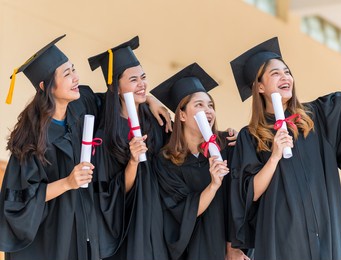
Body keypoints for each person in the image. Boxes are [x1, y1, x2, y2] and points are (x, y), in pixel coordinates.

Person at [229, 21, 341, 260]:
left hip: (325, 229)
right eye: (275, 73)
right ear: (259, 86)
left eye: (287, 71)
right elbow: (250, 194)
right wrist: (275, 156)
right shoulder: (250, 137)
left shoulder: (314, 116)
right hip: (282, 238)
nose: (285, 76)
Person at [0, 35, 101, 260]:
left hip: (80, 228)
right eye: (67, 74)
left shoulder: (81, 106)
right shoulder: (31, 138)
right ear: (45, 86)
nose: (76, 78)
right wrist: (68, 182)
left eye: (73, 69)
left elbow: (113, 103)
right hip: (49, 234)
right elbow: (21, 199)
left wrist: (151, 102)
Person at [151, 62, 249, 260]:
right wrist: (213, 185)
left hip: (227, 249)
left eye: (210, 105)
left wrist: (234, 248)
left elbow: (238, 201)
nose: (208, 110)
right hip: (192, 250)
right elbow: (180, 212)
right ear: (182, 115)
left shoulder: (228, 147)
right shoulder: (167, 161)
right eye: (199, 105)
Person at [87, 36, 171, 259]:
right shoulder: (104, 136)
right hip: (126, 227)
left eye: (143, 77)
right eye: (133, 80)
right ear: (116, 86)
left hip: (156, 223)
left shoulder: (156, 123)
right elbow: (111, 195)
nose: (142, 84)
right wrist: (133, 161)